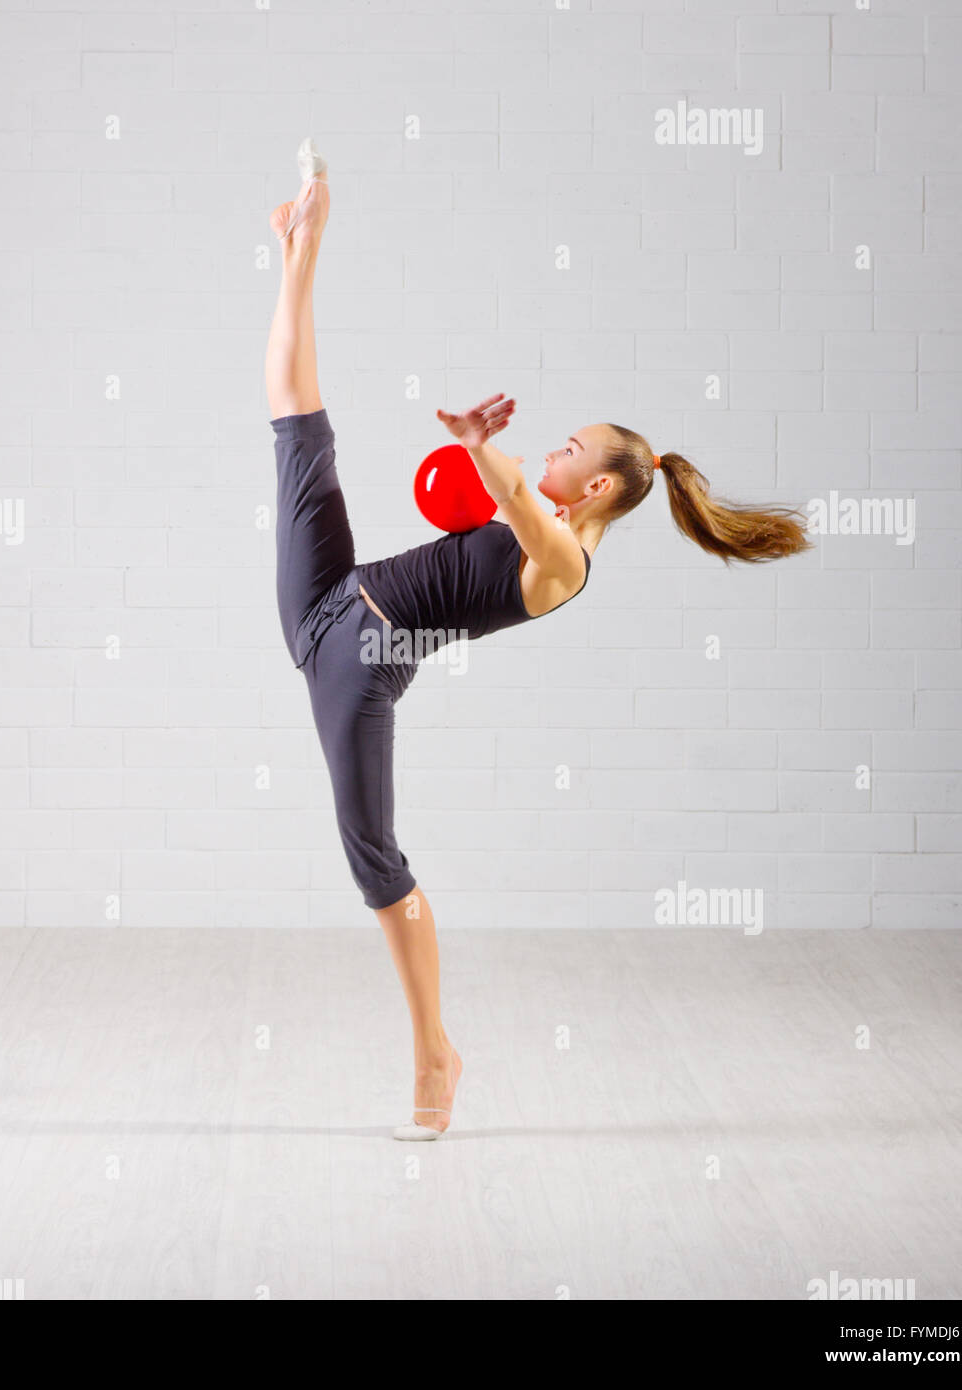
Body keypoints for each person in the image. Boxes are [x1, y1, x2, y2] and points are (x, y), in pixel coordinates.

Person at [264, 142, 810, 1141]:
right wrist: (303, 253)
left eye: (567, 449)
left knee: (372, 860)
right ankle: (302, 251)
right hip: (328, 600)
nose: (547, 451)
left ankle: (435, 1053)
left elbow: (518, 499)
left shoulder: (563, 565)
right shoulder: (538, 523)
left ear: (596, 486)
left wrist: (484, 450)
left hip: (364, 662)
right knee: (298, 428)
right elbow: (507, 490)